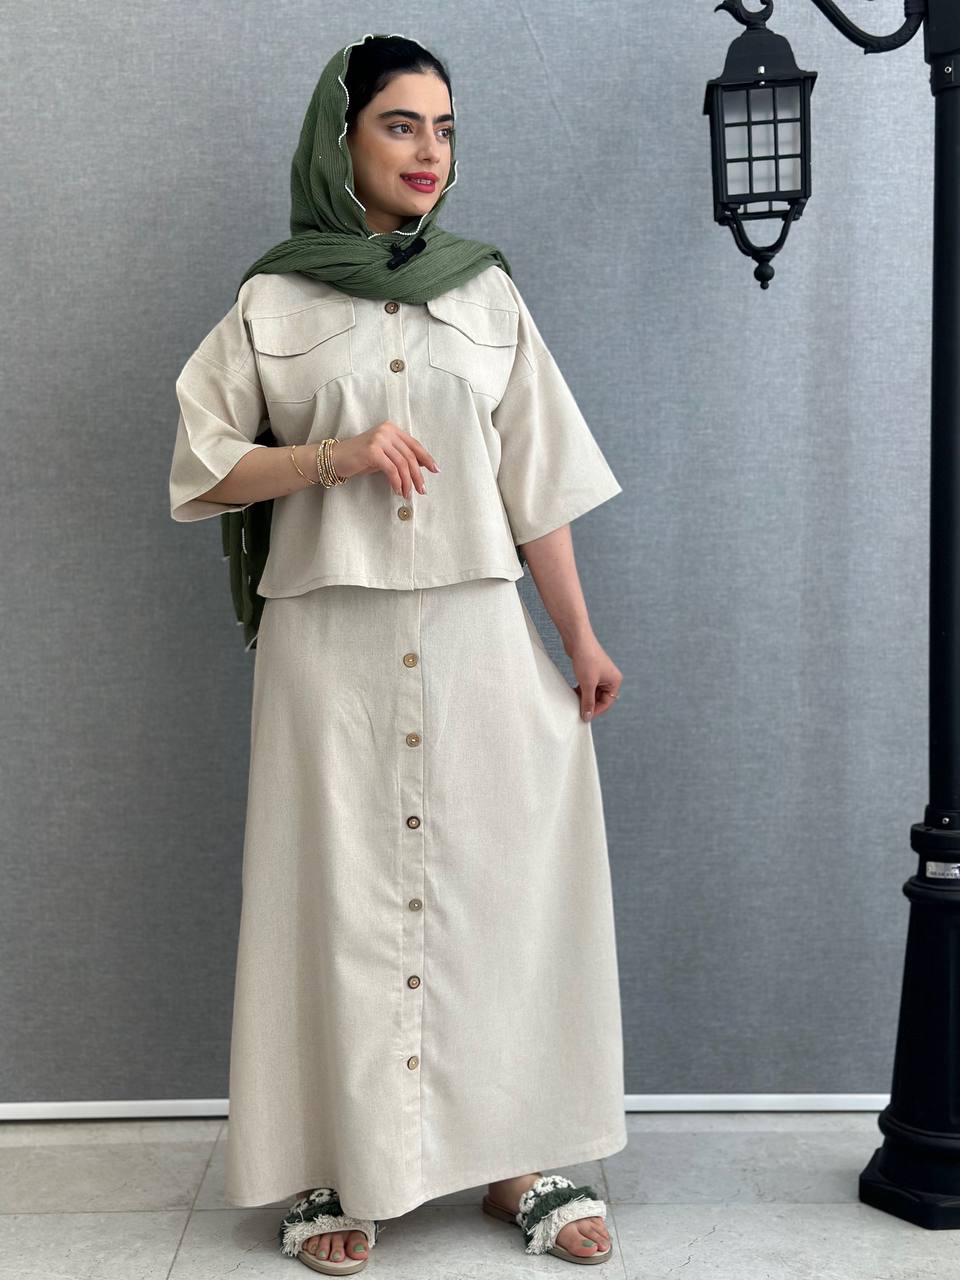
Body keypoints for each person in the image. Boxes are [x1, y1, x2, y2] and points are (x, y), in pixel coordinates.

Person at [169, 32, 627, 1275]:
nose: (430, 152)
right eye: (401, 124)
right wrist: (337, 455)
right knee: (336, 897)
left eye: (445, 129)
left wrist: (578, 636)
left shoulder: (487, 295)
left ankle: (518, 1159)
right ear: (341, 138)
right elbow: (206, 464)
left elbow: (537, 482)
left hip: (476, 633)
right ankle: (336, 1160)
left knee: (500, 891)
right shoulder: (274, 302)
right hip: (329, 642)